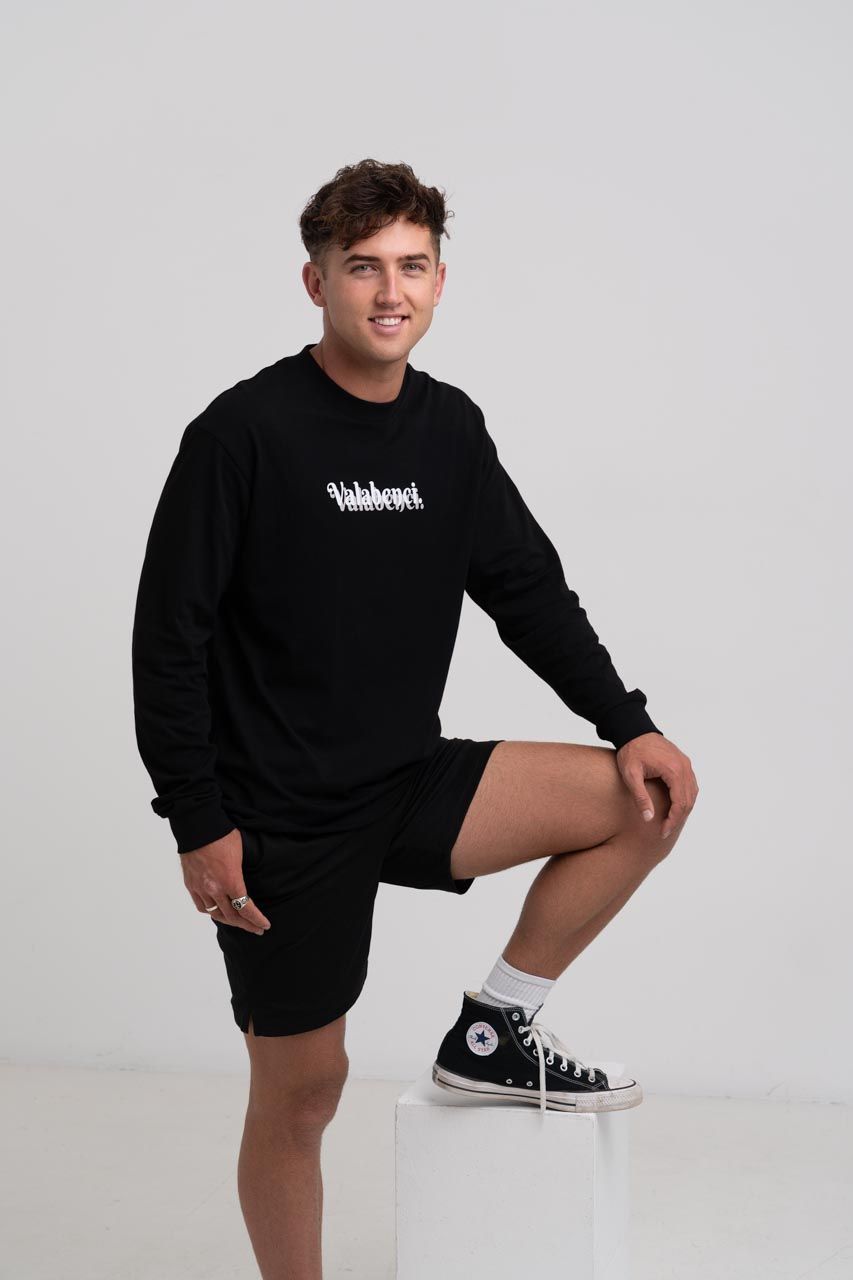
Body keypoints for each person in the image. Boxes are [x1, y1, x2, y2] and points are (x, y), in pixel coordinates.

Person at [131, 158, 698, 1279]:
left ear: (439, 280)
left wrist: (627, 720)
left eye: (412, 265)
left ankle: (493, 1028)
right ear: (316, 283)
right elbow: (167, 642)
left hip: (407, 778)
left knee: (644, 798)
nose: (390, 291)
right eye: (363, 267)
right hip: (281, 819)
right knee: (303, 1093)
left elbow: (526, 590)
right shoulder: (242, 433)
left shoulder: (448, 428)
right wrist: (198, 819)